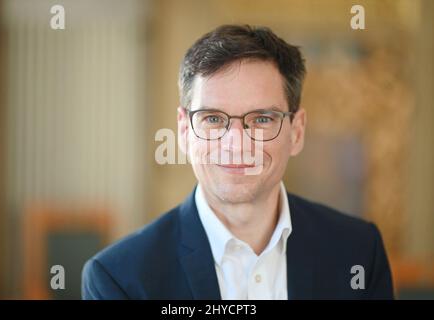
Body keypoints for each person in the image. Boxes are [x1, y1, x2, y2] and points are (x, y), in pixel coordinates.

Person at [82, 24, 394, 300]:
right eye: (213, 119)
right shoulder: (119, 279)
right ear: (183, 131)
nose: (235, 144)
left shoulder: (359, 252)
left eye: (261, 118)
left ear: (296, 132)